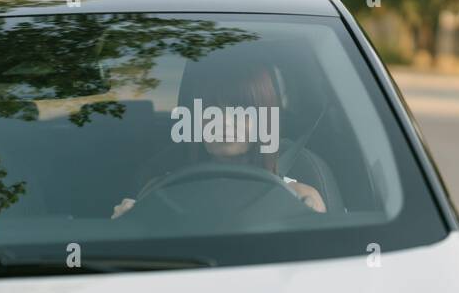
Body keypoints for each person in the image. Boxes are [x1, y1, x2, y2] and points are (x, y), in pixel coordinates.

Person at [112, 60, 326, 218]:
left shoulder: (301, 198)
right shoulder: (156, 192)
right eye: (209, 110)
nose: (223, 121)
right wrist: (126, 223)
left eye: (241, 109)